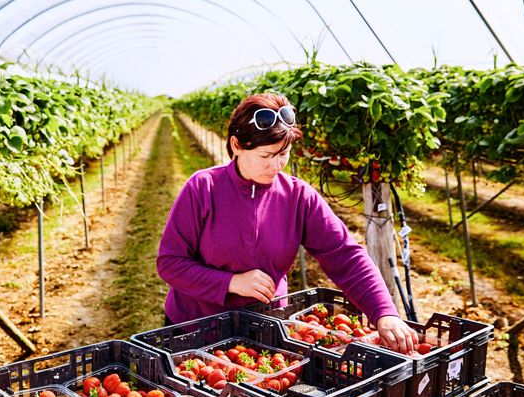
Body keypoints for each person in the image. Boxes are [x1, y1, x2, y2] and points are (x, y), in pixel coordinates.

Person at [157, 92, 418, 354]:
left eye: (284, 154)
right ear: (236, 145)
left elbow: (345, 255)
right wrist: (231, 283)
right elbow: (170, 263)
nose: (276, 166)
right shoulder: (203, 188)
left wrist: (384, 312)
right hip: (195, 330)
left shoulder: (298, 197)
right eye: (265, 156)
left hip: (264, 328)